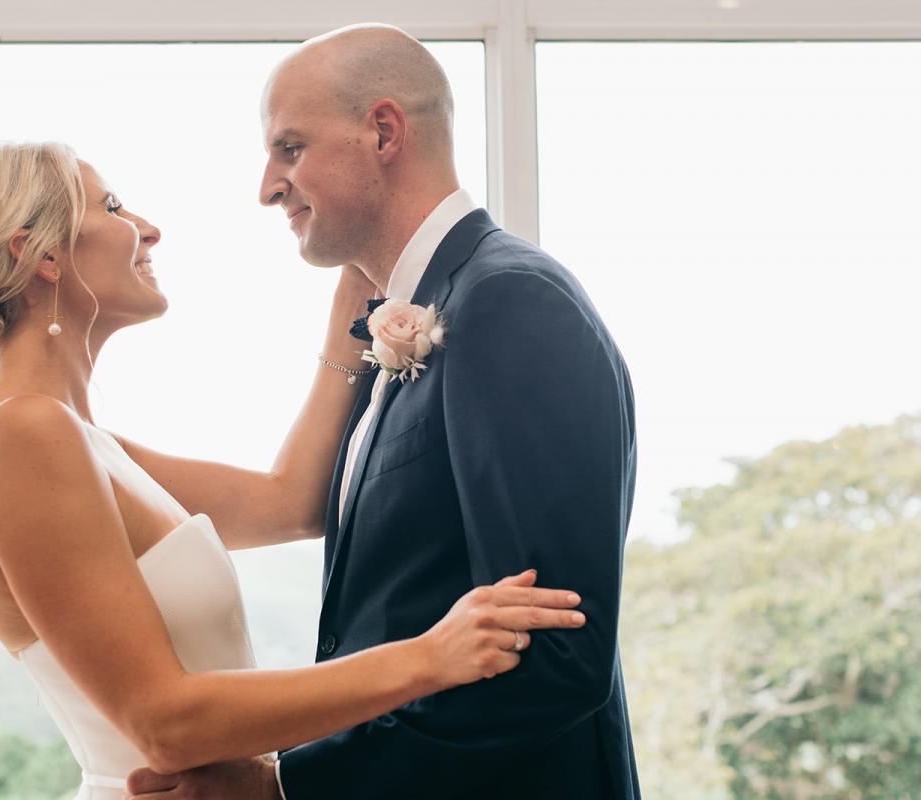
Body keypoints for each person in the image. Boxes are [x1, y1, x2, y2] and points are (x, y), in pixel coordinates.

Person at [0, 139, 588, 800]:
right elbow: (163, 719)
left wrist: (356, 292)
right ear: (38, 254)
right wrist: (430, 656)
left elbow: (293, 502)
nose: (148, 229)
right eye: (113, 209)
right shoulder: (20, 435)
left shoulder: (78, 437)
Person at [123, 23, 641, 800]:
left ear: (383, 131)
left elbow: (554, 656)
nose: (267, 186)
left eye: (289, 149)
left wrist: (287, 789)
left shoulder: (507, 302)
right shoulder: (410, 314)